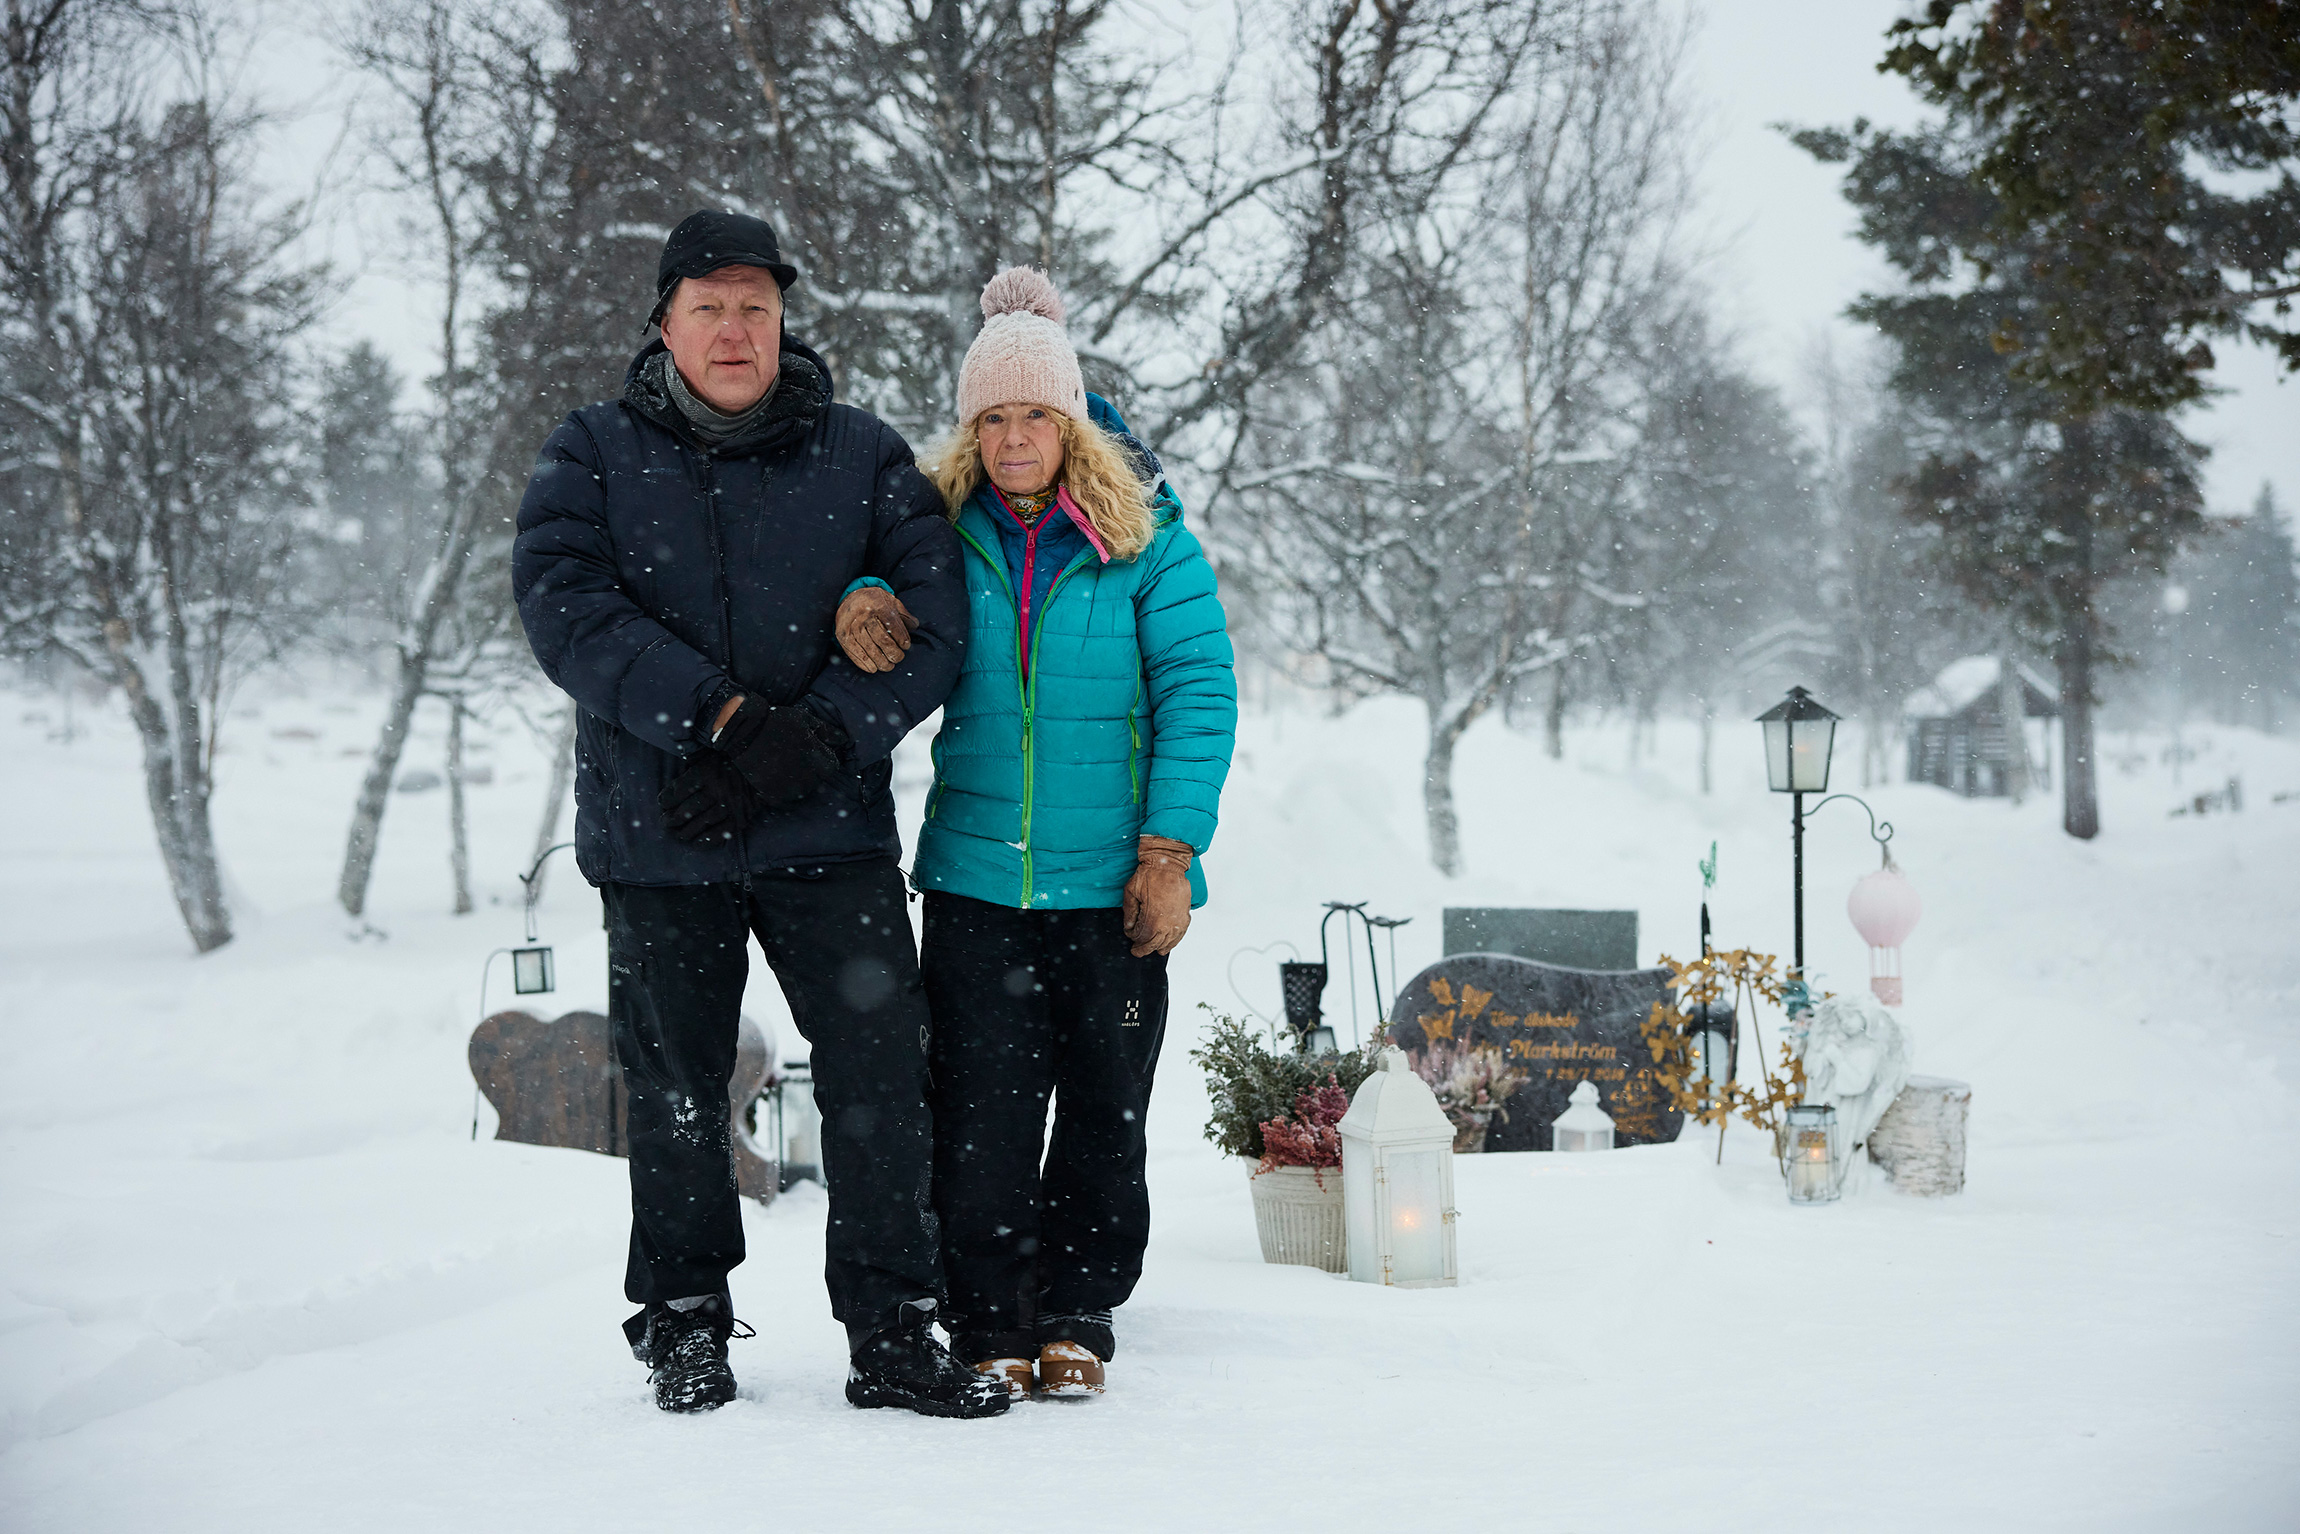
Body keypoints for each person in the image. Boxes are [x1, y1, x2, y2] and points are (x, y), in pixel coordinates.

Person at [513, 209, 1005, 1419]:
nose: (734, 330)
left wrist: (822, 737)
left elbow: (933, 620)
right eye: (708, 307)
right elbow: (565, 608)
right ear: (664, 322)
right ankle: (685, 1324)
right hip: (658, 830)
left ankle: (893, 1328)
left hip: (826, 834)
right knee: (677, 1085)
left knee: (881, 1075)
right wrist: (725, 721)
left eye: (755, 308)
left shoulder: (861, 457)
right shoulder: (590, 453)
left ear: (783, 322)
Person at [834, 266, 1236, 1399]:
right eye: (992, 417)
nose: (1014, 438)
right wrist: (865, 593)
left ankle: (1076, 1310)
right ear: (971, 428)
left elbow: (1198, 689)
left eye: (1035, 415)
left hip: (1111, 888)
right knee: (980, 1119)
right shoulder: (938, 523)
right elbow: (867, 560)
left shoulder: (1144, 537)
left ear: (1069, 420)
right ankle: (987, 1316)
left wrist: (1169, 853)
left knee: (1105, 1113)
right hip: (973, 884)